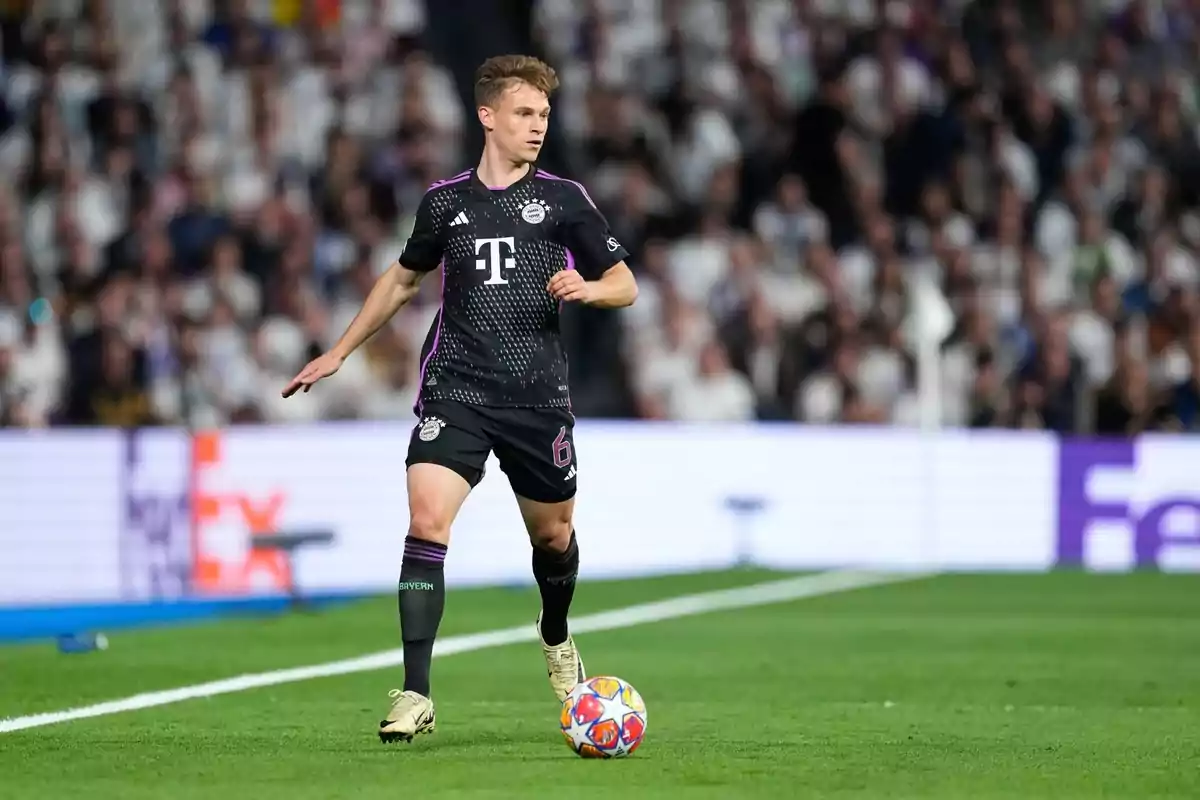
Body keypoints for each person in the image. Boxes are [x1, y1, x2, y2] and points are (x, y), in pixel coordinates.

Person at [282, 54, 638, 743]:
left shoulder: (564, 200)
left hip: (537, 400)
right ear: (488, 116)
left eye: (543, 115)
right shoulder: (446, 203)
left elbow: (624, 281)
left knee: (554, 536)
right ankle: (415, 691)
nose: (538, 127)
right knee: (426, 521)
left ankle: (557, 635)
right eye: (525, 114)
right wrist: (339, 350)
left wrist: (588, 288)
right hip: (458, 390)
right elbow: (402, 280)